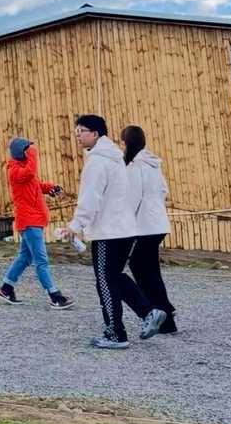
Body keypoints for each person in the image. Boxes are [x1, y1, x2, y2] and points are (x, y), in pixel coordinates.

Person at [66, 114, 165, 349]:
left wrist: (76, 225)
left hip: (107, 231)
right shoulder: (116, 158)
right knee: (115, 276)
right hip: (126, 229)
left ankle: (115, 334)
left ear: (95, 134)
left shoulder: (97, 161)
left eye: (81, 131)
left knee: (105, 282)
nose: (77, 136)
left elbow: (91, 197)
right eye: (76, 131)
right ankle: (148, 313)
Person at [0, 137, 74, 309]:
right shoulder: (15, 171)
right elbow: (30, 173)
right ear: (22, 152)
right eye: (27, 150)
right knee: (41, 261)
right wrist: (32, 152)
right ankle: (55, 296)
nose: (30, 152)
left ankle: (5, 289)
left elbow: (36, 184)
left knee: (25, 257)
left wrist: (51, 188)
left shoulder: (23, 169)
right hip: (29, 221)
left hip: (33, 220)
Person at [123, 125, 177, 335]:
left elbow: (132, 199)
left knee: (140, 267)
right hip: (159, 222)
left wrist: (125, 222)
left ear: (126, 143)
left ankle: (161, 313)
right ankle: (166, 312)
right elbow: (164, 190)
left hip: (145, 225)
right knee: (150, 270)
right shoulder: (153, 164)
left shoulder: (135, 166)